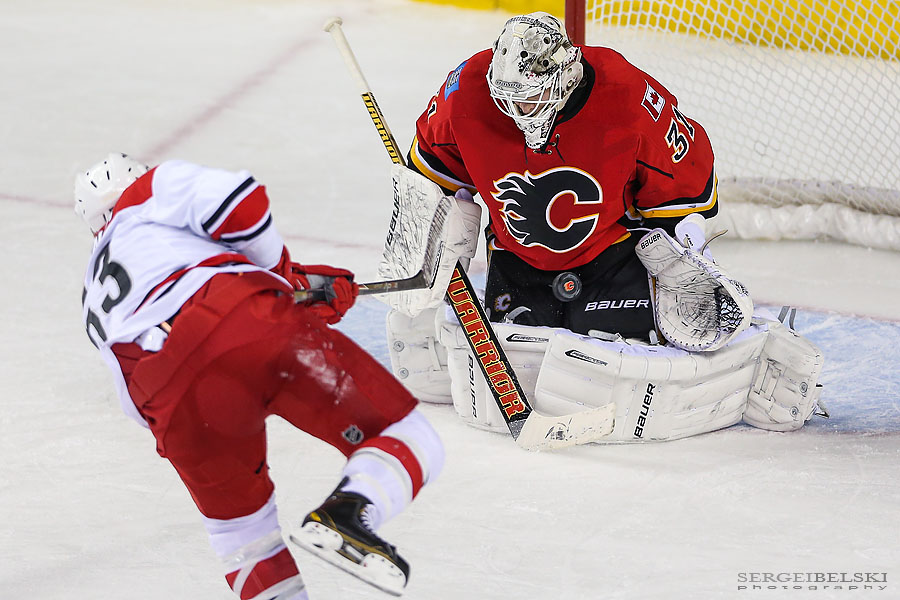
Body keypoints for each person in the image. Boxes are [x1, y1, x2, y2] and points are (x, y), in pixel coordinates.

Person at [383, 12, 825, 441]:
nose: (517, 112)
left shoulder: (628, 94)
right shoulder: (466, 91)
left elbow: (685, 192)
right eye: (507, 99)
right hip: (517, 266)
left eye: (529, 99)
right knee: (524, 369)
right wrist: (427, 269)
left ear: (563, 79)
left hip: (612, 262)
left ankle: (756, 345)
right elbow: (436, 187)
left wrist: (683, 261)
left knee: (646, 363)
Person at [76, 153, 443, 599]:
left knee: (243, 538)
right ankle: (348, 513)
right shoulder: (147, 192)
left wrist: (291, 293)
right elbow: (240, 200)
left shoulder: (93, 296)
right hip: (238, 321)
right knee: (405, 435)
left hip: (169, 404)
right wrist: (282, 279)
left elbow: (147, 375)